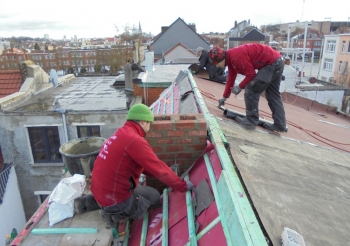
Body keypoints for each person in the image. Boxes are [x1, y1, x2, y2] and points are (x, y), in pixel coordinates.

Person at [88, 103, 194, 227]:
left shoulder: (120, 134)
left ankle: (97, 205)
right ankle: (118, 217)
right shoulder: (135, 140)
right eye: (150, 123)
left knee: (139, 189)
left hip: (101, 192)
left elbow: (147, 167)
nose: (150, 127)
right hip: (116, 200)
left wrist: (166, 172)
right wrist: (182, 186)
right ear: (143, 122)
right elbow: (158, 169)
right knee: (154, 196)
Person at [208, 44, 287, 132]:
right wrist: (225, 96)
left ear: (220, 59)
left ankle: (250, 121)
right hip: (278, 61)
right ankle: (280, 125)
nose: (216, 66)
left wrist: (240, 87)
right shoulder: (231, 58)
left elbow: (251, 74)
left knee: (251, 90)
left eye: (216, 63)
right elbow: (231, 78)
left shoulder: (236, 57)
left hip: (272, 63)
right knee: (273, 95)